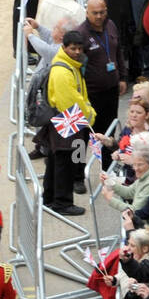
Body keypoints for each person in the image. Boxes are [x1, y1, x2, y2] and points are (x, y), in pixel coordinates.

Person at [39, 30, 93, 216]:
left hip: (65, 118)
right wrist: (89, 115)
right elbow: (70, 101)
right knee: (64, 163)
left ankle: (50, 198)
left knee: (56, 162)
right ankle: (62, 203)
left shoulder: (69, 65)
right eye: (73, 48)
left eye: (80, 48)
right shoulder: (63, 71)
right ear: (64, 47)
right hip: (67, 119)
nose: (77, 52)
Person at [78, 0, 128, 155]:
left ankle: (108, 170)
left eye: (102, 12)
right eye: (95, 13)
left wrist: (122, 77)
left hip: (111, 91)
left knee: (109, 132)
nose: (99, 16)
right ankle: (78, 175)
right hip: (91, 94)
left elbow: (118, 52)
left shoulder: (111, 26)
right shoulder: (81, 34)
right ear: (87, 13)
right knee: (84, 134)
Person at [101, 135, 149, 214]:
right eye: (134, 164)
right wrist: (109, 182)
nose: (135, 168)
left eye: (140, 165)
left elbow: (135, 211)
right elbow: (129, 192)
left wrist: (110, 199)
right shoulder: (147, 173)